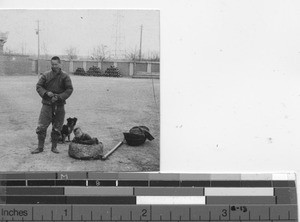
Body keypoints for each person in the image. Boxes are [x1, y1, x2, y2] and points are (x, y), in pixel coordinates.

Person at [31, 56, 74, 154]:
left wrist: (59, 97)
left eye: (56, 64)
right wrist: (46, 93)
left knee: (57, 127)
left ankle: (54, 147)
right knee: (41, 127)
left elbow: (69, 89)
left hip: (59, 105)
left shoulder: (65, 76)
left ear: (60, 64)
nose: (54, 66)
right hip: (47, 105)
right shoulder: (46, 75)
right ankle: (40, 147)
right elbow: (39, 86)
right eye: (52, 64)